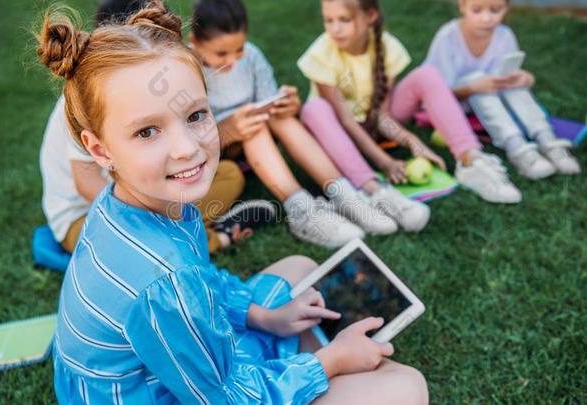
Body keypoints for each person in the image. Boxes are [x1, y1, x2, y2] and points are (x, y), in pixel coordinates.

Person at [39, 1, 428, 403]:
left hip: (168, 364)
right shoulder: (165, 282)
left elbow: (202, 282)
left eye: (195, 116)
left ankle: (306, 351)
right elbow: (224, 397)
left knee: (301, 269)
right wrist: (329, 362)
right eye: (147, 132)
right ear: (99, 151)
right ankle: (321, 361)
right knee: (405, 388)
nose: (187, 148)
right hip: (157, 393)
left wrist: (264, 318)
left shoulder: (137, 200)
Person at [38, 0, 274, 254]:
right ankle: (216, 238)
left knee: (229, 175)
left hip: (145, 184)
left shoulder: (157, 81)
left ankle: (183, 227)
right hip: (91, 216)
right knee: (144, 246)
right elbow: (86, 184)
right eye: (145, 132)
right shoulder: (84, 104)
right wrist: (150, 213)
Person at [190, 0, 422, 246]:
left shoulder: (252, 55)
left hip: (256, 142)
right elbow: (190, 138)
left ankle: (344, 195)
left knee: (277, 116)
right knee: (253, 127)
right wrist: (229, 128)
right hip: (216, 152)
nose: (233, 60)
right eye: (221, 54)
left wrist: (288, 105)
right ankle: (302, 211)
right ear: (195, 43)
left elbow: (267, 101)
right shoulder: (188, 70)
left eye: (239, 50)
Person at [298, 0, 523, 205]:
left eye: (344, 20)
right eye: (329, 20)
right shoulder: (322, 54)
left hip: (376, 125)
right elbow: (347, 122)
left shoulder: (385, 46)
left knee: (427, 74)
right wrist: (385, 163)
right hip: (339, 133)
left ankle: (470, 159)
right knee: (314, 109)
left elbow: (382, 118)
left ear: (370, 16)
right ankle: (368, 188)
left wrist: (415, 144)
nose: (334, 29)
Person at [423, 0, 580, 178]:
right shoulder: (448, 36)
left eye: (495, 10)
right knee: (478, 80)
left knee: (513, 86)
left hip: (494, 97)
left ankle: (547, 140)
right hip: (458, 103)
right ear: (462, 6)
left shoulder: (505, 35)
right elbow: (437, 92)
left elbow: (506, 72)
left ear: (506, 9)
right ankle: (517, 148)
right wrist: (474, 87)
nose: (486, 18)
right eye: (477, 10)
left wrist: (524, 78)